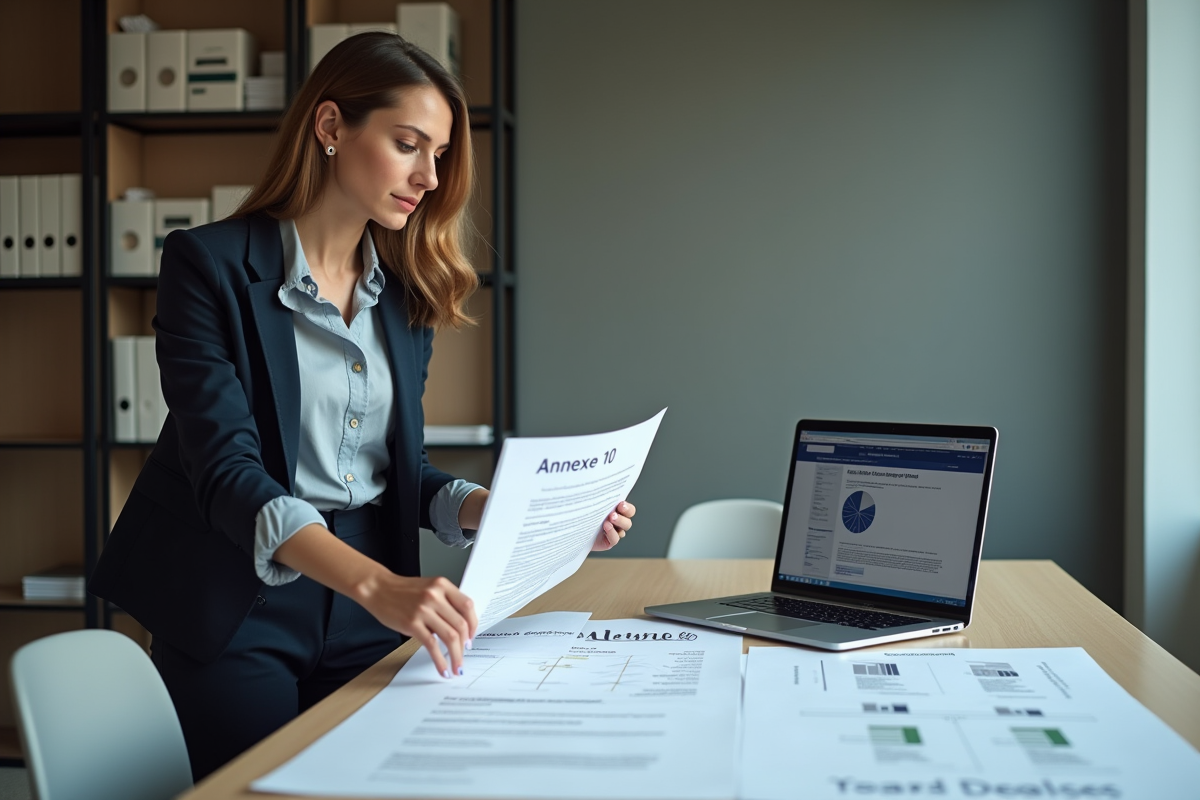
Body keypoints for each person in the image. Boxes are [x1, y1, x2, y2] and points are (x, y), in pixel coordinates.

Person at [88, 32, 636, 781]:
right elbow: (225, 473)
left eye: (439, 155)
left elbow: (396, 471)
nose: (429, 176)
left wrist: (514, 508)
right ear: (331, 126)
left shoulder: (405, 293)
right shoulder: (208, 266)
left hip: (366, 609)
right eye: (409, 144)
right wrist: (378, 586)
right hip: (237, 600)